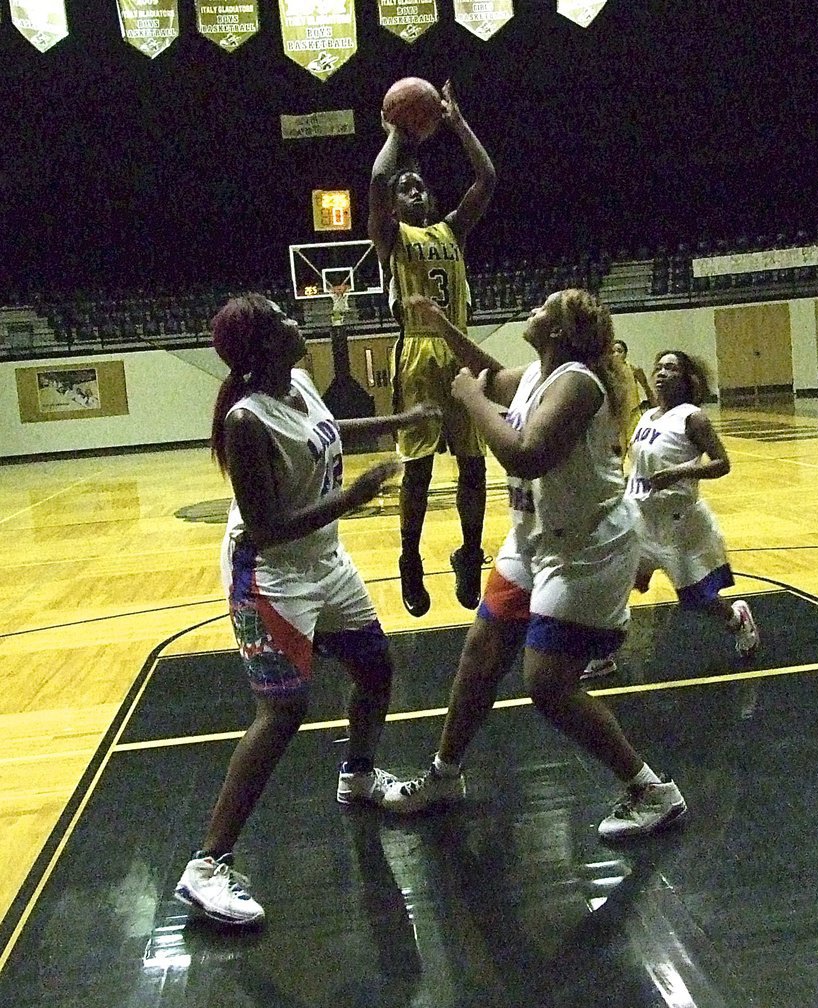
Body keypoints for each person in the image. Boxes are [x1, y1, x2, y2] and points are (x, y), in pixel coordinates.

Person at [382, 288, 688, 841]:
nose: (532, 311)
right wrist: (440, 326)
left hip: (585, 550)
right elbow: (490, 373)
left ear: (561, 332)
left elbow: (525, 452)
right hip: (531, 542)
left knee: (547, 686)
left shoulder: (577, 383)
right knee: (480, 655)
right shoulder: (535, 374)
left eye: (544, 308)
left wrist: (471, 403)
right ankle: (445, 774)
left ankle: (651, 790)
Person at [173, 294, 439, 926]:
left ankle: (358, 775)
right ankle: (206, 866)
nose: (297, 321)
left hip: (325, 561)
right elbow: (264, 529)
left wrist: (402, 418)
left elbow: (325, 429)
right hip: (270, 575)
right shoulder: (246, 421)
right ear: (263, 345)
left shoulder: (297, 381)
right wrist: (355, 495)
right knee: (284, 711)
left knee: (375, 668)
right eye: (281, 318)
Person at [367, 80, 496, 618]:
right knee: (418, 468)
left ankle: (469, 553)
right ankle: (409, 559)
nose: (413, 189)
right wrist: (398, 131)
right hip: (418, 355)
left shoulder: (452, 231)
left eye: (420, 185)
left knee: (473, 466)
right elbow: (378, 176)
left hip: (461, 353)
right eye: (406, 187)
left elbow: (487, 178)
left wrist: (458, 123)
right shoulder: (390, 237)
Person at [583, 350, 759, 681]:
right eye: (659, 367)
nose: (662, 373)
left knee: (699, 600)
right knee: (613, 583)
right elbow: (637, 463)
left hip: (680, 523)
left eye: (671, 368)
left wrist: (678, 473)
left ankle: (737, 618)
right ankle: (602, 654)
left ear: (687, 379)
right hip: (639, 517)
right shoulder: (647, 416)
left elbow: (723, 463)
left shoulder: (694, 419)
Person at [611, 338, 654, 452]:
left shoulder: (633, 369)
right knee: (619, 448)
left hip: (633, 412)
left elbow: (647, 388)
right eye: (612, 351)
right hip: (616, 416)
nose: (616, 354)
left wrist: (655, 405)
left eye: (619, 351)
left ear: (625, 354)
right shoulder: (607, 371)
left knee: (635, 445)